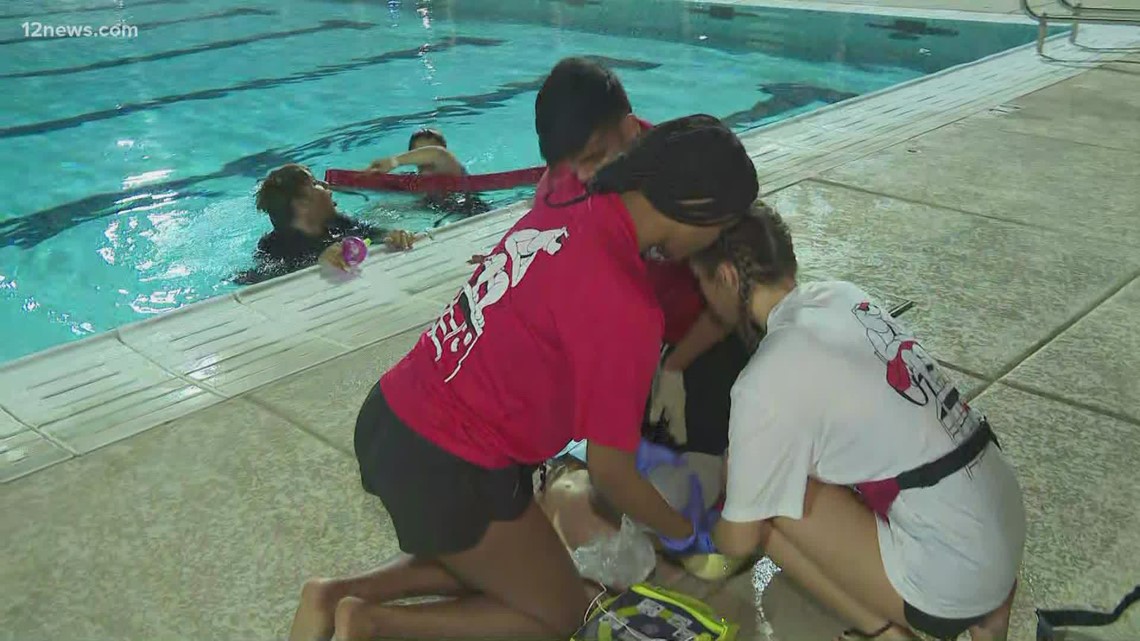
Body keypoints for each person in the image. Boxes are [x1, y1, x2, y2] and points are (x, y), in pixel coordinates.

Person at [287, 114, 759, 641]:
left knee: (519, 563)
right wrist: (686, 531)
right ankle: (373, 624)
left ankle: (330, 595)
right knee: (556, 615)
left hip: (395, 412)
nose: (715, 241)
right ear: (700, 206)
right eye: (722, 227)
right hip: (446, 462)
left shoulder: (568, 210)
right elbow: (611, 473)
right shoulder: (627, 302)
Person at [692, 204, 1026, 641]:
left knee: (759, 497)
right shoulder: (844, 296)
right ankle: (986, 618)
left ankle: (887, 632)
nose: (702, 299)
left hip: (955, 574)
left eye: (701, 282)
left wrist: (697, 527)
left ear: (726, 278)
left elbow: (737, 540)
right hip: (1003, 519)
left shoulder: (762, 381)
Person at [533, 56, 750, 456]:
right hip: (630, 343)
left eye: (596, 156)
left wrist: (674, 366)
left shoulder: (690, 173)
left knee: (719, 442)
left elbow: (732, 298)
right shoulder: (558, 192)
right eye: (570, 166)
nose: (585, 177)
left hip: (702, 333)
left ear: (632, 130)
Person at [233, 164, 415, 284]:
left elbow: (375, 233)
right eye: (314, 183)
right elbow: (258, 279)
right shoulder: (273, 247)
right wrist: (316, 263)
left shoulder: (339, 223)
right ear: (302, 203)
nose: (326, 184)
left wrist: (393, 235)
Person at [366, 128, 491, 221]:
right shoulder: (412, 180)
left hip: (473, 214)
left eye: (427, 152)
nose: (425, 158)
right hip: (434, 208)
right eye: (419, 154)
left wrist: (393, 161)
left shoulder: (452, 169)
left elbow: (438, 154)